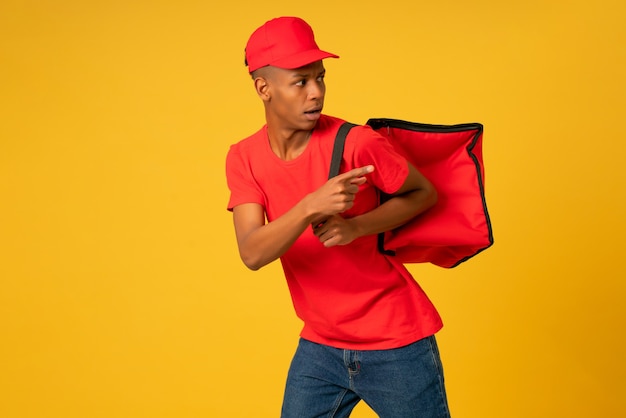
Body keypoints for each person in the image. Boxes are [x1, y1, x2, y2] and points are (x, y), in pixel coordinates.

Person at [226, 16, 451, 418]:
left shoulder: (357, 143)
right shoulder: (244, 157)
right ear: (264, 88)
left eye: (321, 78)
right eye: (300, 81)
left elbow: (424, 193)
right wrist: (311, 205)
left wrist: (356, 227)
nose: (316, 93)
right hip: (321, 346)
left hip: (396, 342)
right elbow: (252, 253)